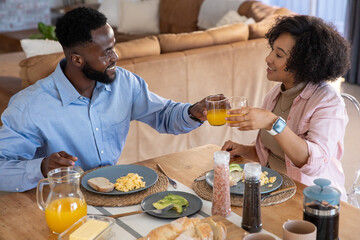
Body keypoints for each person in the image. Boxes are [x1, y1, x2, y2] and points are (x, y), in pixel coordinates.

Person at [0, 7, 211, 192]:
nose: (115, 57)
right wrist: (43, 167)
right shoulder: (29, 106)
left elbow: (164, 114)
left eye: (114, 47)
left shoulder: (124, 83)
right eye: (106, 52)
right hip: (60, 200)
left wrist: (193, 111)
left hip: (114, 194)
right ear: (76, 59)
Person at [221, 15, 351, 199]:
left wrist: (273, 122)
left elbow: (315, 164)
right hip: (273, 191)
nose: (268, 58)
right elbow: (273, 153)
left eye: (279, 55)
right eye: (272, 50)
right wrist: (243, 150)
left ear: (303, 63)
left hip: (310, 201)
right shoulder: (276, 94)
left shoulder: (328, 102)